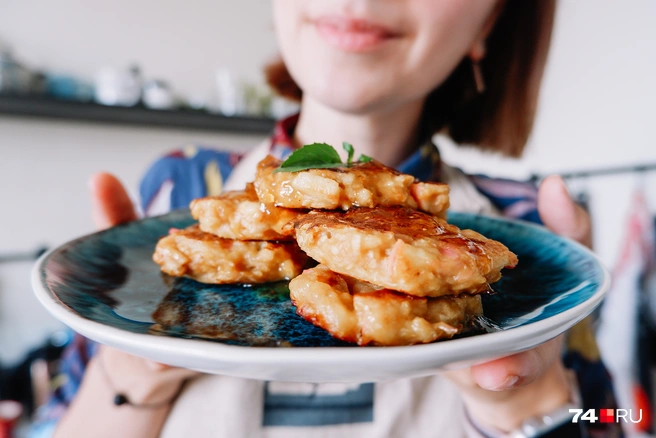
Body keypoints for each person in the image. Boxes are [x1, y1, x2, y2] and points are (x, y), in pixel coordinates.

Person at [31, 1, 621, 437]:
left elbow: (615, 417)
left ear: (488, 24)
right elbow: (49, 421)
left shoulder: (530, 233)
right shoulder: (172, 191)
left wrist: (529, 403)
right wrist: (129, 374)